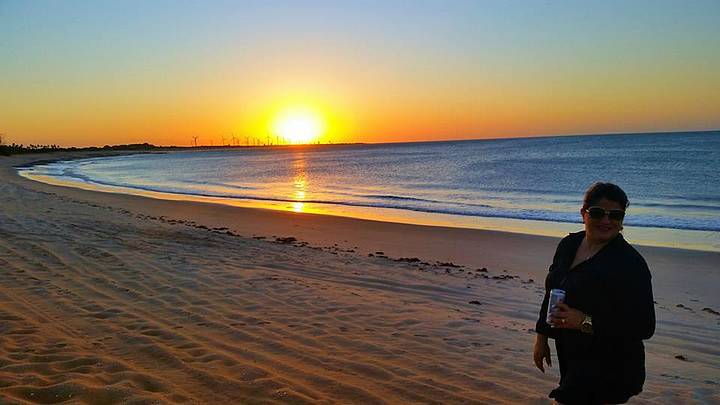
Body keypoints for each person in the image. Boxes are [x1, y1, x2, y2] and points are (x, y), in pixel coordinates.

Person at [533, 182, 655, 404]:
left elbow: (644, 326)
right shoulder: (569, 245)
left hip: (611, 364)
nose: (607, 221)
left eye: (615, 215)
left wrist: (584, 321)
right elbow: (553, 289)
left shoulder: (630, 264)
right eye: (598, 213)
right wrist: (542, 337)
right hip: (573, 356)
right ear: (583, 214)